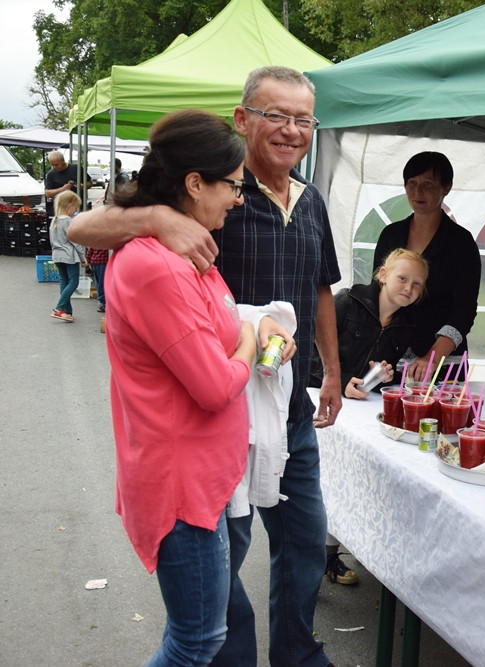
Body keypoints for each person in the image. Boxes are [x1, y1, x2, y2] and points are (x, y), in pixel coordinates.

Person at [68, 66, 342, 667]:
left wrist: (331, 374)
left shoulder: (310, 199)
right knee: (219, 567)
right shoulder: (195, 206)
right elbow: (78, 226)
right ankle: (228, 656)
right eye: (278, 115)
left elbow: (321, 288)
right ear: (243, 119)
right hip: (217, 418)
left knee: (301, 542)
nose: (292, 131)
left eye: (304, 119)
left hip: (286, 403)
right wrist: (152, 218)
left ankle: (295, 652)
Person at [103, 108, 261, 665]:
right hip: (180, 482)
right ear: (195, 183)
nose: (238, 199)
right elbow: (216, 386)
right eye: (234, 186)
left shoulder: (186, 250)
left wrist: (243, 332)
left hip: (202, 476)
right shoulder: (159, 265)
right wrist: (245, 340)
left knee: (200, 632)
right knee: (197, 640)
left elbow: (216, 327)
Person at [372, 152, 481, 383]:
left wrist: (432, 357)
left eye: (428, 184)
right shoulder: (390, 235)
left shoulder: (461, 242)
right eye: (412, 183)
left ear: (446, 188)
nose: (417, 191)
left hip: (443, 363)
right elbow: (377, 293)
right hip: (390, 358)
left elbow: (465, 310)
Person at [336, 248, 427, 399]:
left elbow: (384, 376)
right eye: (402, 278)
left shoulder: (406, 327)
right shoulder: (348, 301)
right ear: (383, 275)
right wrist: (341, 382)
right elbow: (308, 353)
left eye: (417, 283)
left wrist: (383, 377)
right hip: (318, 395)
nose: (409, 288)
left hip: (358, 405)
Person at [49, 190, 85, 323]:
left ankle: (67, 311)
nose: (75, 210)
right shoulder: (69, 221)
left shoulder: (54, 220)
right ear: (70, 206)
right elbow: (75, 242)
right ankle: (58, 308)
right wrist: (83, 258)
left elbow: (51, 240)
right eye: (75, 207)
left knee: (64, 282)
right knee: (73, 282)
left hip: (57, 255)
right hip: (70, 256)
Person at [43, 151, 81, 220]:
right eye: (52, 165)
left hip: (77, 207)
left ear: (63, 160)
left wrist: (83, 186)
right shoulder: (51, 174)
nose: (54, 167)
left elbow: (89, 183)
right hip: (61, 210)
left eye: (56, 164)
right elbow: (48, 193)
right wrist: (62, 189)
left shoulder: (76, 168)